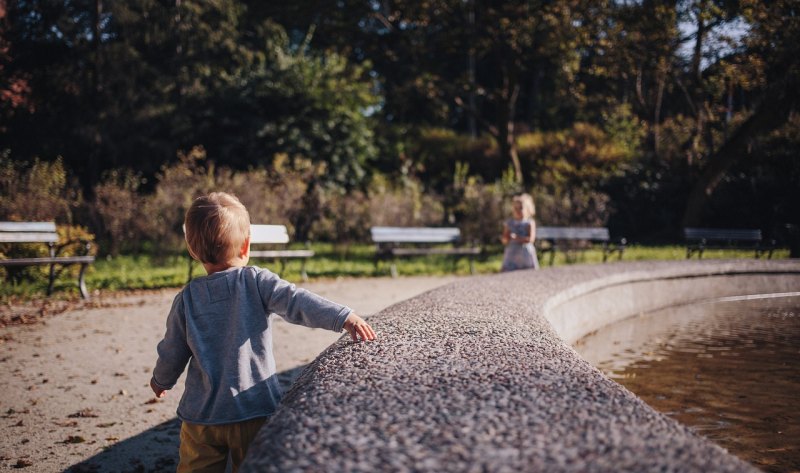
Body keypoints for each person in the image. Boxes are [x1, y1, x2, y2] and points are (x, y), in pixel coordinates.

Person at [149, 192, 376, 473]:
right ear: (246, 246)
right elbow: (298, 302)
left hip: (202, 417)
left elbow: (173, 349)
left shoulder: (188, 298)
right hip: (253, 410)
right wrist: (343, 317)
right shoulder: (256, 282)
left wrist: (162, 380)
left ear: (192, 250)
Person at [500, 193, 540, 272]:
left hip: (526, 253)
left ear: (527, 209)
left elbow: (531, 239)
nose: (518, 211)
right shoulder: (509, 223)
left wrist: (516, 238)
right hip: (511, 253)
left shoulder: (529, 223)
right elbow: (504, 240)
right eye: (516, 208)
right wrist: (505, 238)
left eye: (521, 208)